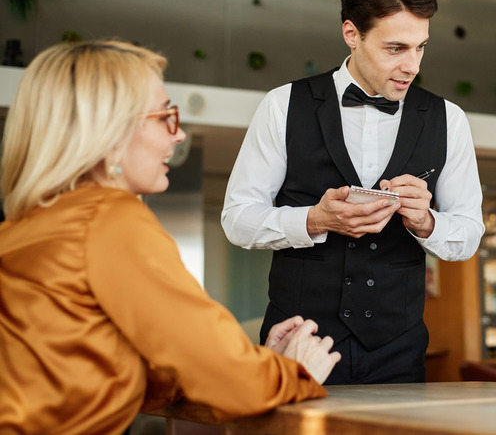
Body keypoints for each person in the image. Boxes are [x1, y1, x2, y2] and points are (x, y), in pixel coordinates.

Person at [0, 40, 341, 435]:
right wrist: (294, 372)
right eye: (165, 116)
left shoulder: (23, 228)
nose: (177, 136)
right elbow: (232, 383)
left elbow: (100, 369)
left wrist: (256, 362)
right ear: (112, 133)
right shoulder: (109, 219)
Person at [221, 0, 484, 385]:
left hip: (399, 350)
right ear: (351, 34)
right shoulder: (283, 105)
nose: (412, 66)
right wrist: (315, 220)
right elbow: (237, 219)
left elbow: (469, 234)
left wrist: (426, 222)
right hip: (298, 344)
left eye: (421, 47)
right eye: (395, 48)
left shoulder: (449, 119)